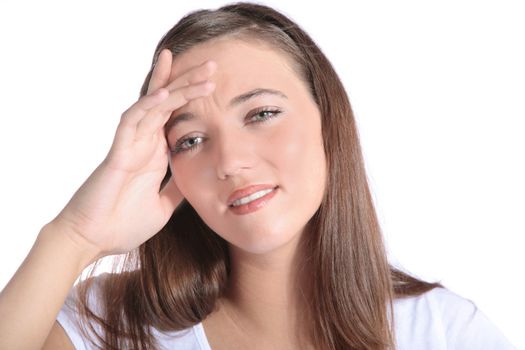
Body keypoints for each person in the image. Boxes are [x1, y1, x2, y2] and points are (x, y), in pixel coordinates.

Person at [0, 2, 517, 350]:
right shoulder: (111, 325)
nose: (229, 162)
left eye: (261, 114)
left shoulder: (444, 332)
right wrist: (75, 235)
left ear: (328, 120)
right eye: (191, 140)